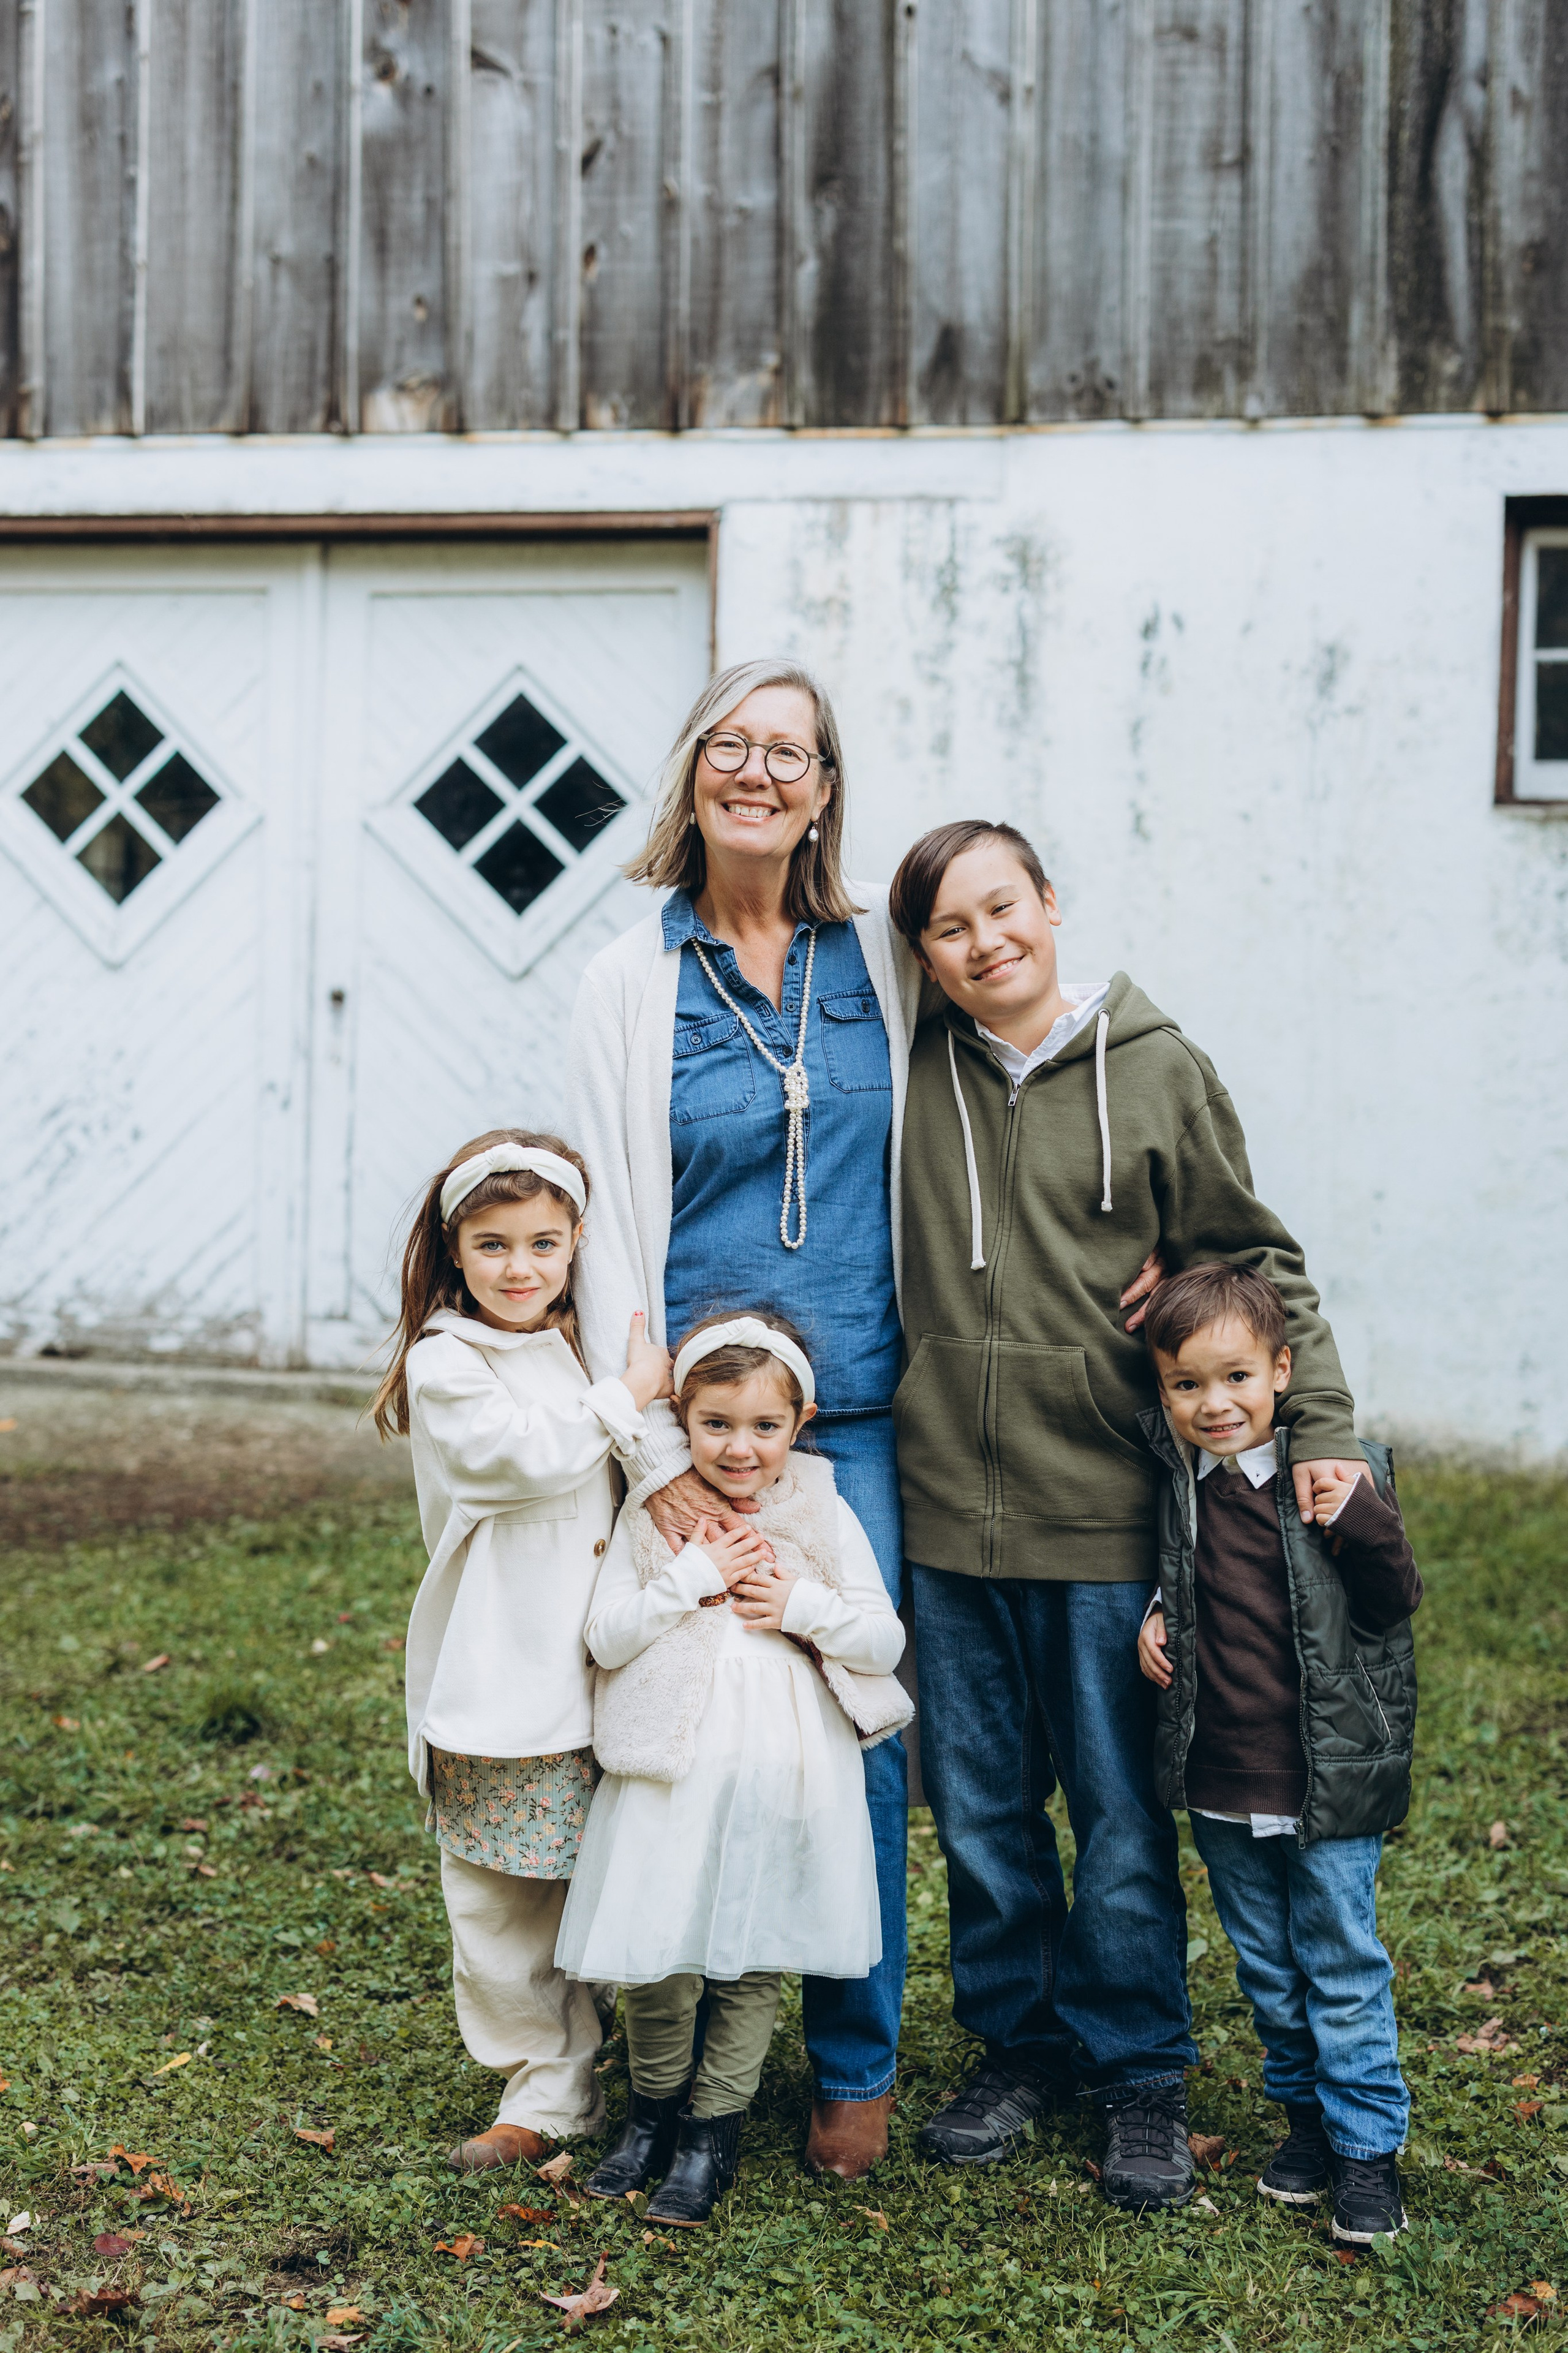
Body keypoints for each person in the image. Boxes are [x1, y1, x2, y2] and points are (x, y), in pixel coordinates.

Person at [886, 817, 1371, 2210]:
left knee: (1114, 1816)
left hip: (1102, 1508)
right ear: (921, 955)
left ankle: (1138, 2067)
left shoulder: (1155, 1069)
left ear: (1050, 902)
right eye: (949, 928)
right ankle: (1019, 2045)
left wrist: (1324, 1426)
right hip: (944, 1512)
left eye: (1003, 907)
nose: (985, 942)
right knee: (981, 1813)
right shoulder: (909, 1066)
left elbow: (1250, 1259)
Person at [556, 1315, 908, 2226]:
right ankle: (651, 2114)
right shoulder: (654, 1514)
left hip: (781, 1772)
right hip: (670, 1771)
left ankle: (713, 2131)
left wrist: (802, 1605)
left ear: (801, 1423)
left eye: (764, 1426)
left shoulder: (824, 1512)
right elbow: (605, 1637)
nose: (740, 1448)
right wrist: (691, 1576)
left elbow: (883, 1641)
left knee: (750, 1957)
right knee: (658, 1953)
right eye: (716, 1424)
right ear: (683, 1416)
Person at [373, 1128, 672, 2172]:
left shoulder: (587, 1342)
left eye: (544, 1243)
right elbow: (517, 1462)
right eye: (493, 1244)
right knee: (504, 1891)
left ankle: (664, 2064)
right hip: (505, 1669)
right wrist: (629, 1393)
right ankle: (545, 2085)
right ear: (455, 1251)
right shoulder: (447, 1359)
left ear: (577, 1243)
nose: (519, 1268)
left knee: (619, 1866)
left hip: (621, 1655)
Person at [1137, 1262, 1420, 2246]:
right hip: (1223, 1774)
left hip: (1323, 1778)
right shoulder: (1179, 1482)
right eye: (1186, 1384)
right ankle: (1306, 2122)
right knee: (1267, 1967)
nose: (1214, 1403)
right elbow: (1181, 1574)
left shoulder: (1332, 1477)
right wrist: (1155, 1615)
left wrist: (1362, 1517)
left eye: (1237, 1377)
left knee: (1340, 1962)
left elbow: (1393, 1601)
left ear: (1283, 1371)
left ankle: (1366, 2151)